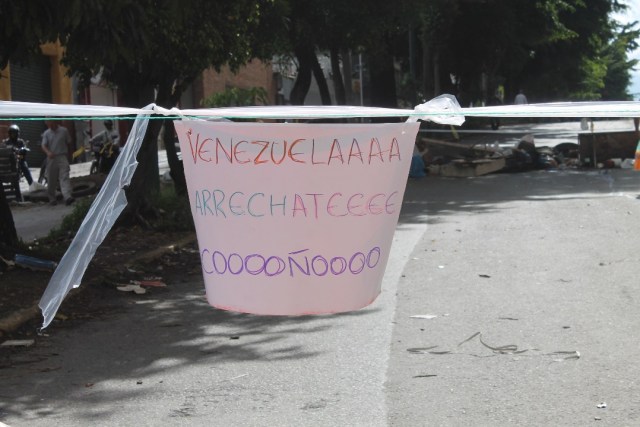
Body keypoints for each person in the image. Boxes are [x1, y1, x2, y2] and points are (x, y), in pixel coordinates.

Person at [41, 119, 74, 206]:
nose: (49, 125)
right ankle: (52, 198)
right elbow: (43, 145)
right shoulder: (46, 133)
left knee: (64, 177)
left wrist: (70, 156)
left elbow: (69, 142)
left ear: (54, 121)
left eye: (50, 122)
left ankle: (67, 196)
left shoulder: (64, 131)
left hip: (62, 156)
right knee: (51, 179)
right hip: (51, 158)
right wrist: (48, 152)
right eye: (47, 123)